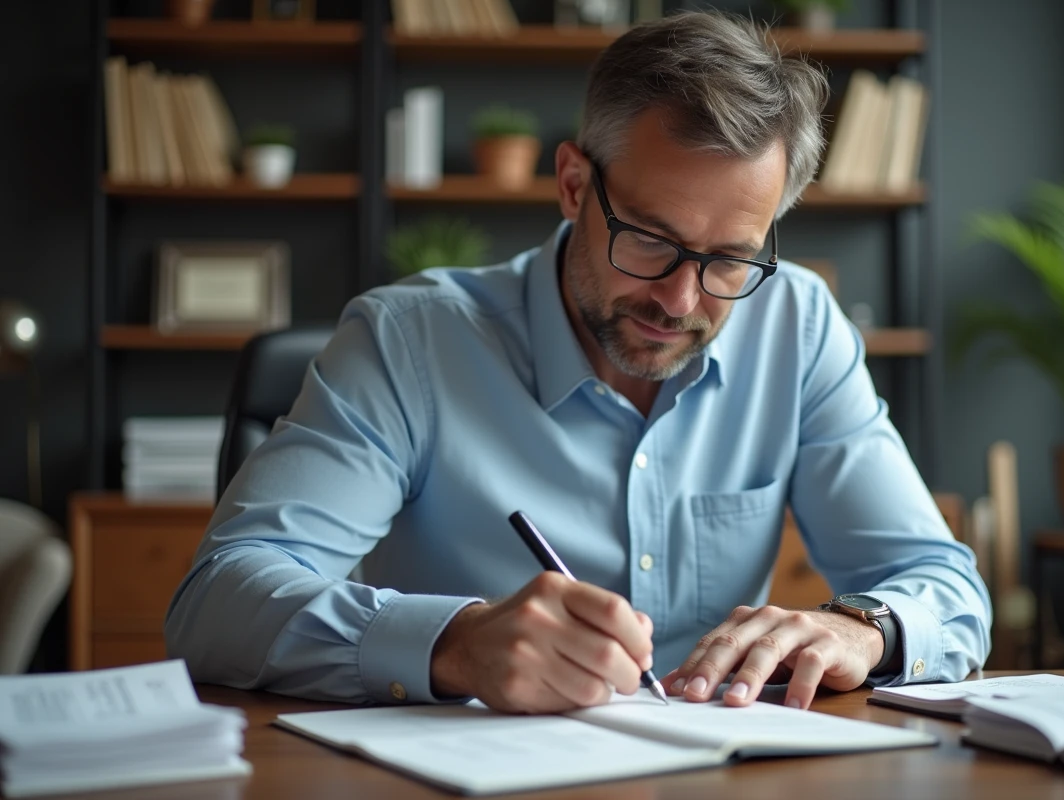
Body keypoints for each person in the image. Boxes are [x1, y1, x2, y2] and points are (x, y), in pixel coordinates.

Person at [165, 11, 991, 715]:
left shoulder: (797, 325)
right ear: (570, 184)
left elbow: (942, 585)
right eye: (650, 241)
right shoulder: (406, 342)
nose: (680, 299)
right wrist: (453, 643)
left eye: (729, 260)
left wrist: (864, 629)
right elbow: (217, 601)